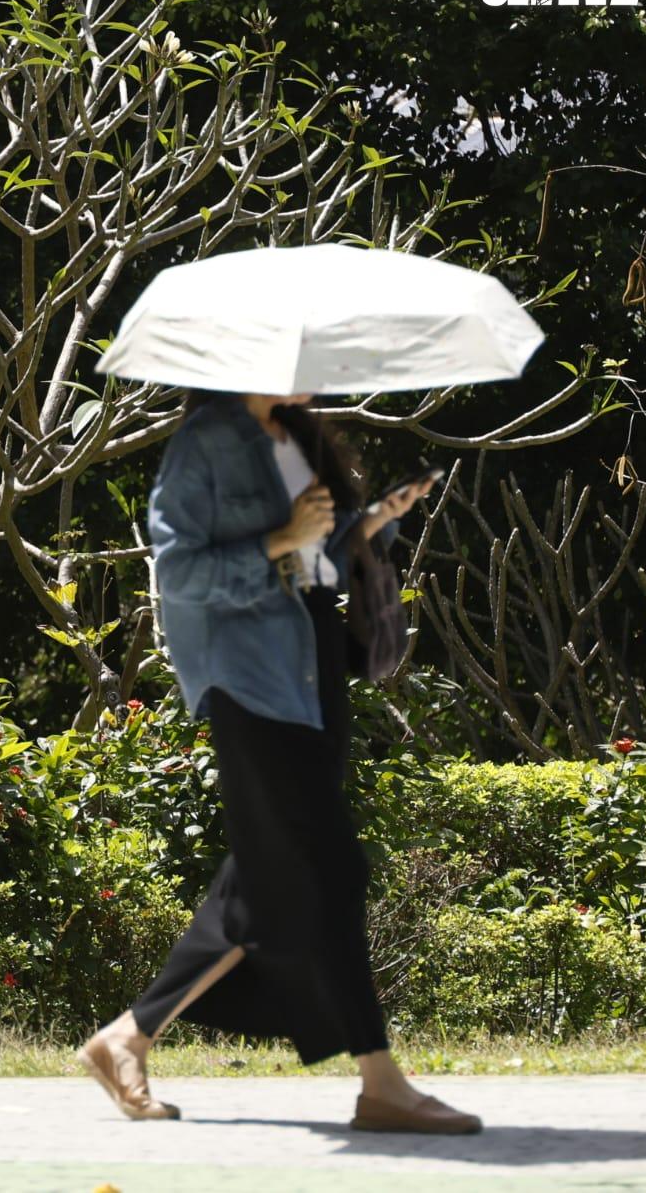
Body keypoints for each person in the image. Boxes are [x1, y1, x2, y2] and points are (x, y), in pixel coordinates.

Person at [76, 390, 479, 1135]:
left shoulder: (292, 432)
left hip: (311, 662)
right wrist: (280, 538)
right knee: (332, 865)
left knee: (270, 872)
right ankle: (380, 1079)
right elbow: (183, 573)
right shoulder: (205, 444)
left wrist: (373, 520)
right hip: (250, 675)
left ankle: (127, 1036)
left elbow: (312, 559)